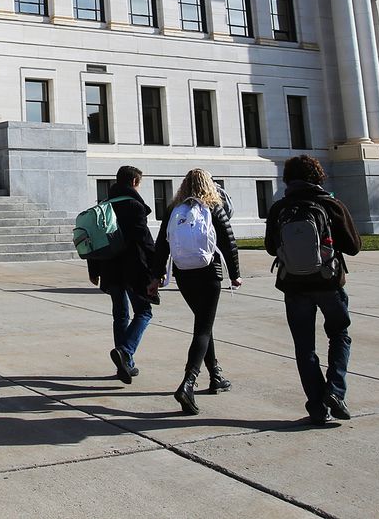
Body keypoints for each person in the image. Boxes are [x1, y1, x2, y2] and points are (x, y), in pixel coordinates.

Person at [264, 154, 361, 425]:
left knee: (304, 347)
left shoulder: (280, 208)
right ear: (318, 175)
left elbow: (271, 247)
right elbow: (353, 246)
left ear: (288, 178)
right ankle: (335, 390)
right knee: (339, 335)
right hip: (328, 281)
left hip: (294, 285)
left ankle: (317, 407)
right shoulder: (331, 204)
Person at [149, 168, 241, 414]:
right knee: (203, 328)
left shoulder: (173, 210)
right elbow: (228, 242)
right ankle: (188, 383)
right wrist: (235, 274)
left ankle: (215, 376)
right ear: (209, 185)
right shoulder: (213, 207)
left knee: (204, 324)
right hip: (209, 274)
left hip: (184, 274)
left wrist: (156, 276)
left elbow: (161, 245)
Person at [86, 165, 156, 384]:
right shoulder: (135, 206)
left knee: (120, 315)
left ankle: (125, 367)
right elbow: (145, 241)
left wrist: (94, 270)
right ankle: (126, 352)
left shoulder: (103, 206)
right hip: (134, 268)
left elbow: (94, 240)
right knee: (144, 311)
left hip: (110, 268)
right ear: (134, 182)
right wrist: (157, 269)